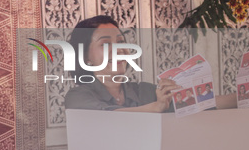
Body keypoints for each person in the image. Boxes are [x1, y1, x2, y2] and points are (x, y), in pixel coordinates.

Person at [64, 16, 238, 112]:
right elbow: (111, 116)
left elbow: (202, 103)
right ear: (85, 56)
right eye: (105, 43)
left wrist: (248, 93)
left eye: (121, 41)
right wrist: (157, 107)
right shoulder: (77, 97)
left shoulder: (144, 91)